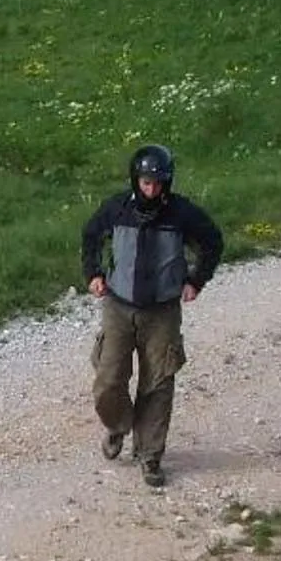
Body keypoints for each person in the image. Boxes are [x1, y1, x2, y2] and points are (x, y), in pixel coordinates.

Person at [79, 144, 222, 489]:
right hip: (118, 305)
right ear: (135, 179)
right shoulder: (117, 208)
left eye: (158, 183)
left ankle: (150, 455)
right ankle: (118, 427)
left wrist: (196, 280)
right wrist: (93, 274)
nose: (152, 189)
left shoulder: (181, 213)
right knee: (109, 380)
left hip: (162, 311)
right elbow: (90, 236)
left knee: (158, 383)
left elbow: (212, 241)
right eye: (146, 182)